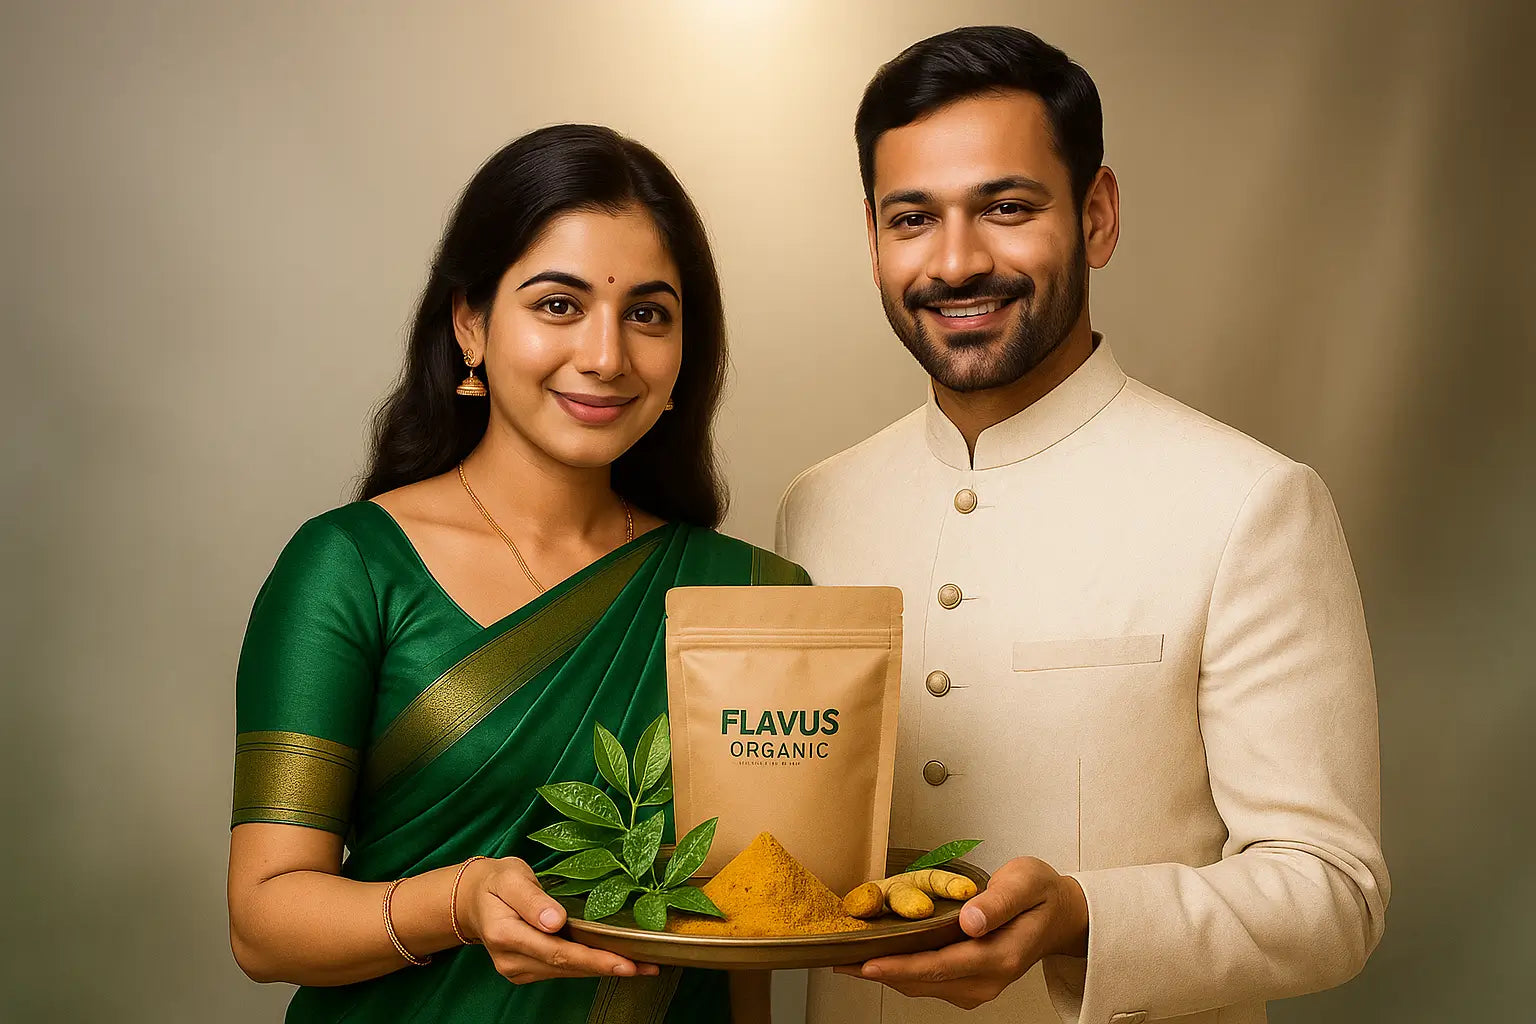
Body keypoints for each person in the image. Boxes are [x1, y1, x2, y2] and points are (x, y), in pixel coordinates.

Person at [777, 26, 1388, 1024]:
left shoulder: (1249, 502)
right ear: (875, 239)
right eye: (912, 219)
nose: (958, 261)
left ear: (1097, 216)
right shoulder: (817, 504)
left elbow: (1335, 893)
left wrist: (1082, 916)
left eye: (1007, 208)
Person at [227, 124, 801, 1024]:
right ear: (470, 322)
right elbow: (263, 921)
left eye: (648, 313)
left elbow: (749, 929)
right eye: (559, 305)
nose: (607, 356)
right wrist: (455, 902)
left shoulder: (752, 598)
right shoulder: (350, 569)